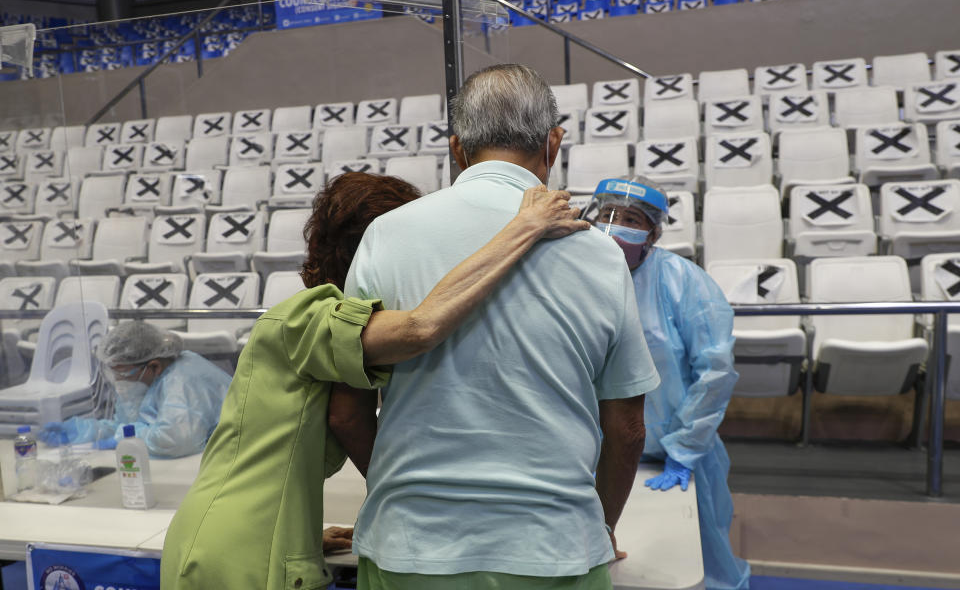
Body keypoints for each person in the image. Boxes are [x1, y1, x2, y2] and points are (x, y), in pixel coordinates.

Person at [160, 171, 588, 590]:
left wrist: (297, 534)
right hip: (239, 553)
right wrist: (523, 228)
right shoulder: (306, 318)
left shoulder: (301, 320)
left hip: (241, 535)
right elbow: (420, 329)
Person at [344, 64, 661, 589]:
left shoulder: (386, 234)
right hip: (554, 546)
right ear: (553, 143)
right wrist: (598, 529)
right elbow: (627, 428)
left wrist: (398, 492)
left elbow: (345, 406)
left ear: (456, 148)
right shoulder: (599, 256)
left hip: (410, 546)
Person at [584, 175, 751, 590]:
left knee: (690, 566)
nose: (615, 224)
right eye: (607, 214)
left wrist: (683, 448)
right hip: (594, 457)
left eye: (631, 218)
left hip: (672, 456)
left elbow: (715, 371)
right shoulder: (576, 278)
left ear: (654, 233)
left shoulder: (684, 282)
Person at [38, 321, 232, 458]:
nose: (118, 380)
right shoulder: (142, 379)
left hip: (226, 456)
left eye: (122, 373)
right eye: (113, 372)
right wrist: (89, 431)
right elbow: (128, 424)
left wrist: (120, 440)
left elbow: (174, 440)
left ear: (154, 366)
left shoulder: (182, 379)